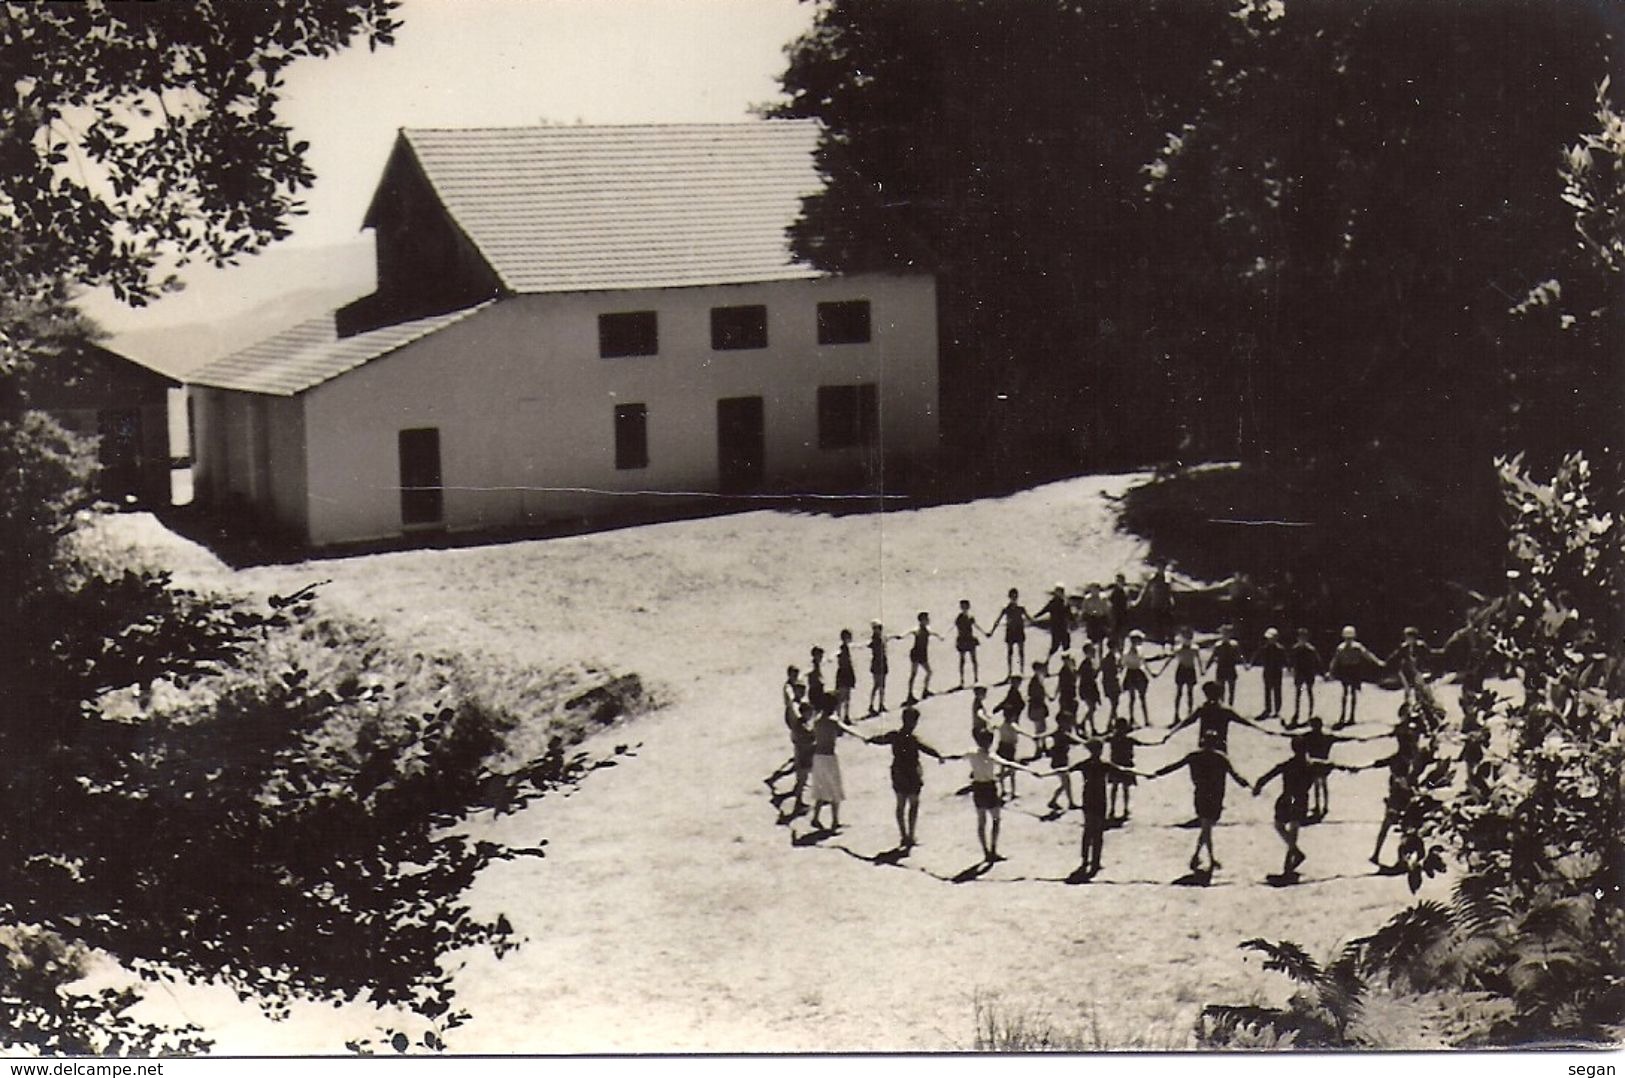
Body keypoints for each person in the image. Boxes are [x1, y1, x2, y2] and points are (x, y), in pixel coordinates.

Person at [1148, 727, 1251, 875]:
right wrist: (1247, 784)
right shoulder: (1220, 757)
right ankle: (1210, 859)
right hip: (1215, 796)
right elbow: (1236, 776)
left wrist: (1157, 773)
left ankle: (1196, 857)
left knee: (1205, 827)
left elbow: (1174, 766)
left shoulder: (1195, 756)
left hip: (1201, 795)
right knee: (1207, 828)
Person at [1030, 739, 1139, 877]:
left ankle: (1085, 860)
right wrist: (1146, 774)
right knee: (1098, 832)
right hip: (1099, 800)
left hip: (1088, 799)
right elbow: (1123, 770)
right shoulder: (1104, 765)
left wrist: (1043, 774)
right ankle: (1095, 862)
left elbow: (1066, 769)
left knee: (1088, 830)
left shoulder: (1085, 764)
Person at [1252, 736, 1357, 878]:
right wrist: (1350, 768)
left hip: (1287, 798)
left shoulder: (1289, 764)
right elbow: (1332, 765)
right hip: (1300, 800)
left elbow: (1268, 775)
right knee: (1292, 831)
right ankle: (1293, 856)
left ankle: (1290, 863)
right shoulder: (1312, 765)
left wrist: (1258, 786)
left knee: (1280, 826)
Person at [859, 706, 947, 848]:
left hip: (898, 772)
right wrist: (938, 755)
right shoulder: (913, 739)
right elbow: (926, 749)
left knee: (900, 804)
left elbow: (881, 740)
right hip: (911, 773)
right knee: (913, 804)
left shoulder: (895, 735)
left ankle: (904, 835)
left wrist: (869, 739)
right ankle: (911, 835)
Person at [1301, 715, 1381, 818]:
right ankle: (1324, 806)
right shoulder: (1327, 737)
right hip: (1325, 764)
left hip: (1315, 764)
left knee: (1317, 786)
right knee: (1323, 785)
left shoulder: (1308, 736)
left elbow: (1293, 737)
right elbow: (1342, 739)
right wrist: (1356, 738)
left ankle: (1319, 806)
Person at [1165, 680, 1276, 753]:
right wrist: (1263, 730)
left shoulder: (1203, 709)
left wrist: (1171, 733)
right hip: (1220, 747)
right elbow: (1244, 722)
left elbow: (1186, 722)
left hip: (1204, 745)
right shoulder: (1225, 710)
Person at [1106, 716, 1160, 820]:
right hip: (1125, 765)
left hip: (1116, 765)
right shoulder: (1128, 739)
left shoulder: (1112, 738)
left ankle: (1114, 809)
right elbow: (1144, 744)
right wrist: (1158, 742)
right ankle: (1122, 809)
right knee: (1122, 788)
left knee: (1116, 788)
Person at [1329, 625, 1383, 727]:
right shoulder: (1340, 648)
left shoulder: (1357, 647)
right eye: (1347, 638)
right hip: (1345, 670)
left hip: (1354, 670)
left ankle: (1351, 716)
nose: (1348, 641)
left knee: (1353, 692)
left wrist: (1377, 662)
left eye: (1350, 638)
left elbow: (1367, 654)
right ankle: (1343, 715)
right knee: (1345, 693)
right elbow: (1335, 660)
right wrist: (1331, 671)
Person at [808, 700, 848, 832]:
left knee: (820, 788)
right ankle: (835, 821)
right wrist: (864, 737)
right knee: (834, 789)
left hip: (818, 757)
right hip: (829, 757)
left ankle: (815, 818)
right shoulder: (833, 720)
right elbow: (844, 730)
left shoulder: (817, 720)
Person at [1384, 626, 1435, 708]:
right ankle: (1407, 706)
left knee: (1420, 687)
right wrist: (1385, 663)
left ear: (1415, 638)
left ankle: (1425, 704)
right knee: (1407, 689)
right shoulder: (1404, 647)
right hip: (1406, 671)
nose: (1409, 640)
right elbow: (1394, 657)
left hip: (1418, 670)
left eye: (1411, 638)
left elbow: (1429, 657)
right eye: (1407, 638)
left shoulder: (1421, 646)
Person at [988, 588, 1031, 680]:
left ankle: (1021, 671)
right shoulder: (1006, 609)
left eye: (1015, 597)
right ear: (1009, 597)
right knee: (1010, 653)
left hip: (1019, 631)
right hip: (1011, 632)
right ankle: (1010, 672)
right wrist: (992, 631)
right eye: (1012, 597)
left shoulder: (1021, 609)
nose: (1014, 598)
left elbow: (1029, 618)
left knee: (1021, 652)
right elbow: (998, 621)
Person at [1160, 628, 1202, 722]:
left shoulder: (1195, 648)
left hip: (1190, 670)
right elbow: (1170, 660)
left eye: (1189, 637)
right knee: (1179, 693)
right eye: (1185, 637)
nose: (1187, 639)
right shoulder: (1178, 649)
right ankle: (1176, 714)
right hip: (1182, 670)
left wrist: (1202, 670)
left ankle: (1190, 713)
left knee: (1190, 693)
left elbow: (1198, 660)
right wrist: (1160, 671)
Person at [901, 611, 943, 704]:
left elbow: (933, 633)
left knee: (928, 672)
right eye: (926, 619)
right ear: (922, 620)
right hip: (916, 654)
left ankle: (924, 690)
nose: (928, 620)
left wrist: (939, 636)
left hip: (922, 654)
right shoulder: (918, 630)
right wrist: (902, 636)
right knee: (914, 674)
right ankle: (911, 694)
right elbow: (911, 632)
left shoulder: (926, 630)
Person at [1251, 627, 1288, 719]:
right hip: (1267, 672)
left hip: (1277, 672)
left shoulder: (1280, 649)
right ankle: (1268, 708)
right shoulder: (1264, 649)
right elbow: (1256, 656)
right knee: (1267, 691)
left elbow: (1285, 660)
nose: (1269, 640)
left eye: (1271, 638)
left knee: (1277, 691)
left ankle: (1277, 710)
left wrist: (1288, 667)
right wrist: (1251, 664)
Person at [1288, 628, 1323, 726]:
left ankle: (1310, 714)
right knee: (1298, 693)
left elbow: (1317, 661)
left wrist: (1321, 672)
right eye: (1300, 637)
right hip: (1299, 673)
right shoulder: (1295, 649)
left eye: (1304, 637)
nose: (1302, 639)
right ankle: (1297, 713)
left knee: (1309, 692)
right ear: (1298, 638)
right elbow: (1291, 660)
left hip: (1308, 673)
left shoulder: (1311, 650)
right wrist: (1290, 668)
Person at [1121, 629, 1153, 726]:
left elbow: (1144, 662)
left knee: (1142, 697)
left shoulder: (1140, 650)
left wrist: (1150, 673)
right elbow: (1124, 665)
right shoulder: (1126, 653)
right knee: (1132, 698)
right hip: (1132, 673)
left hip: (1138, 673)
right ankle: (1132, 718)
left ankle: (1146, 720)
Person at [1205, 625, 1243, 706]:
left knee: (1231, 689)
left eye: (1228, 633)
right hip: (1221, 668)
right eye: (1224, 633)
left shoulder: (1234, 645)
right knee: (1220, 689)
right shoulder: (1218, 645)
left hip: (1231, 668)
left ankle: (1230, 705)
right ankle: (1221, 705)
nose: (1226, 635)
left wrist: (1244, 663)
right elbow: (1213, 657)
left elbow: (1240, 655)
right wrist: (1207, 667)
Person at [1034, 584, 1072, 660]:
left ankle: (1066, 663)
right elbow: (1044, 610)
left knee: (1066, 645)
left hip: (1063, 627)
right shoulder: (1053, 603)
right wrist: (1035, 617)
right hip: (1056, 627)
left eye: (1061, 592)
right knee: (1055, 646)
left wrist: (1073, 621)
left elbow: (1069, 614)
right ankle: (1047, 660)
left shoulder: (1064, 603)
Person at [953, 599, 985, 689]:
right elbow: (956, 628)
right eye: (962, 607)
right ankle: (962, 680)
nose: (964, 608)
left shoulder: (970, 617)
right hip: (963, 640)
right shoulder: (959, 618)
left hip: (969, 639)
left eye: (965, 607)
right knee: (962, 661)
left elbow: (976, 626)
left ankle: (976, 678)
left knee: (973, 660)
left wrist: (984, 633)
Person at [1140, 566, 1176, 643]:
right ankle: (1160, 639)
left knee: (1168, 623)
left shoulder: (1167, 578)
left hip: (1166, 604)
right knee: (1158, 623)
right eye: (1160, 567)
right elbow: (1146, 590)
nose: (1161, 570)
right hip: (1156, 604)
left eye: (1163, 567)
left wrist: (1171, 599)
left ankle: (1169, 639)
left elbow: (1170, 590)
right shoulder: (1154, 579)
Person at [1026, 660, 1052, 758]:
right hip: (1036, 706)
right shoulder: (1034, 681)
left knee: (1043, 727)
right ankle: (1038, 748)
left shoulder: (1039, 679)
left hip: (1039, 705)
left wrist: (1048, 697)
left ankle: (1043, 746)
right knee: (1038, 728)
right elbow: (1032, 694)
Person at [1077, 642, 1102, 735]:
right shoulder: (1086, 663)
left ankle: (1090, 727)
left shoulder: (1088, 663)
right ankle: (1085, 725)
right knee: (1092, 708)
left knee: (1092, 708)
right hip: (1087, 688)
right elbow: (1089, 676)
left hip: (1088, 687)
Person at [867, 620, 889, 715]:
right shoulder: (875, 640)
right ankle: (872, 705)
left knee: (882, 685)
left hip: (882, 663)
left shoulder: (881, 638)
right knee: (877, 685)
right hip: (877, 663)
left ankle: (880, 704)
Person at [834, 629, 858, 720]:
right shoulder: (842, 649)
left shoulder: (846, 648)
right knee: (842, 697)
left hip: (846, 673)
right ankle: (840, 717)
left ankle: (845, 716)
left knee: (846, 697)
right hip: (844, 673)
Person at [1100, 637, 1123, 724]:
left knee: (1115, 703)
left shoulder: (1110, 658)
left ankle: (1114, 721)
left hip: (1109, 682)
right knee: (1115, 704)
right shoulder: (1110, 659)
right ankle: (1110, 723)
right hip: (1111, 682)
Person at [1108, 573, 1132, 646]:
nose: (1119, 582)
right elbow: (1110, 602)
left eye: (1121, 580)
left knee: (1122, 635)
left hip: (1123, 615)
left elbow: (1128, 602)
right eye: (1118, 580)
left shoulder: (1126, 591)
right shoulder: (1114, 592)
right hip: (1115, 615)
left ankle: (1121, 649)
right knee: (1115, 634)